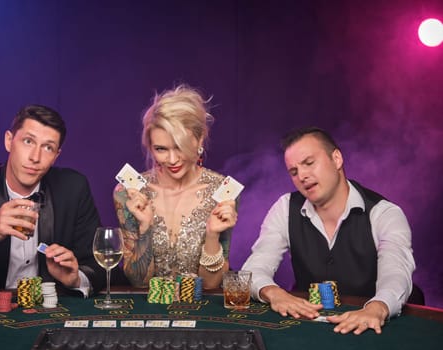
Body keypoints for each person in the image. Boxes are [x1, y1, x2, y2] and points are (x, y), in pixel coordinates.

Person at [0, 104, 125, 296]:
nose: (35, 157)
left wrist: (75, 278)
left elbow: (101, 267)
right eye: (28, 141)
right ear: (9, 141)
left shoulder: (74, 188)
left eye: (48, 147)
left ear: (56, 155)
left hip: (49, 313)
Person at [242, 126, 415, 335]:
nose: (302, 176)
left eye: (309, 163)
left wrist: (377, 308)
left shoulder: (384, 213)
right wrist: (274, 293)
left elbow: (396, 274)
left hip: (367, 328)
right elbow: (252, 271)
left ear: (337, 159)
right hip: (307, 326)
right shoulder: (285, 208)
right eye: (294, 171)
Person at [113, 85, 238, 289]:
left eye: (180, 147)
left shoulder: (222, 191)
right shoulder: (128, 192)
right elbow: (139, 282)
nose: (172, 160)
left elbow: (209, 285)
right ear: (150, 147)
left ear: (199, 140)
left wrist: (213, 235)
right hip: (149, 311)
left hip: (201, 311)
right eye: (161, 149)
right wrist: (145, 228)